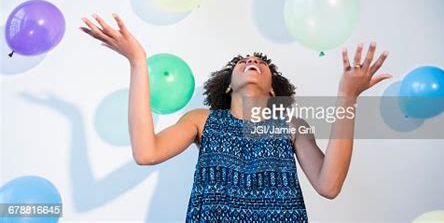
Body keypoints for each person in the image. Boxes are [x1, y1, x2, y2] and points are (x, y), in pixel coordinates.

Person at [80, 13, 392, 222]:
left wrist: (347, 97)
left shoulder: (292, 126)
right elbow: (146, 153)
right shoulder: (202, 121)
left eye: (260, 63)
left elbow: (329, 185)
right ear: (228, 86)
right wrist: (137, 61)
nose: (253, 60)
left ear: (272, 92)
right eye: (243, 62)